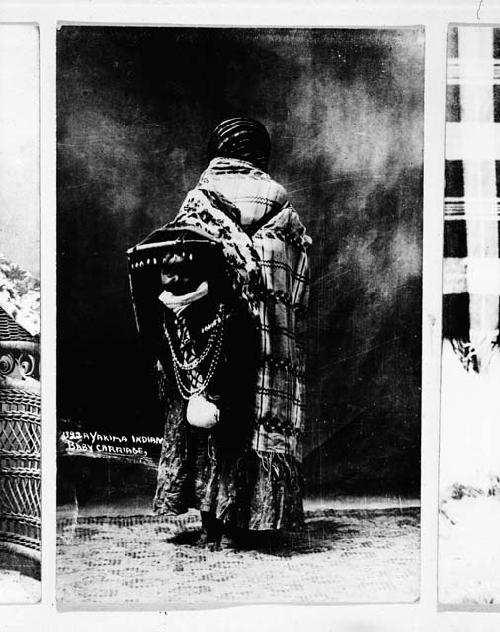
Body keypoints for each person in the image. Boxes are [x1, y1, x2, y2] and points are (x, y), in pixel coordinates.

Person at [131, 117, 311, 549]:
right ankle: (252, 520)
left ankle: (213, 521)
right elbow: (299, 288)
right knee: (255, 425)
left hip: (210, 348)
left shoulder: (199, 203)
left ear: (219, 151)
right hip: (268, 347)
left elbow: (169, 270)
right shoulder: (286, 212)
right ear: (259, 155)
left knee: (210, 424)